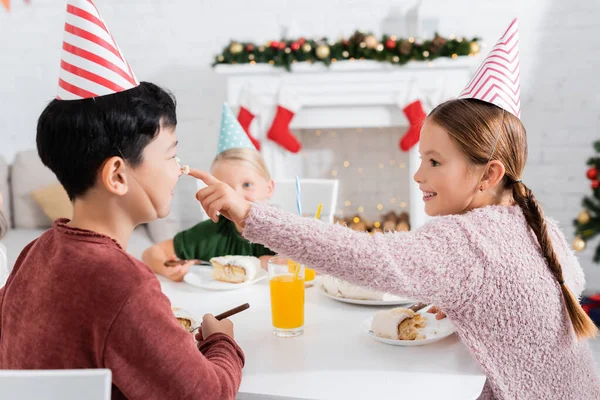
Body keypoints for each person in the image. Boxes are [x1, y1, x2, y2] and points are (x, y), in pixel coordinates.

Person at [191, 19, 600, 399]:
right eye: (421, 158)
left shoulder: (469, 240)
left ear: (489, 174)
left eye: (435, 162)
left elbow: (363, 256)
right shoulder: (529, 215)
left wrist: (251, 214)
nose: (418, 175)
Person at [0, 2, 244, 399]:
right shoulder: (124, 284)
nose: (179, 170)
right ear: (116, 174)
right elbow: (210, 394)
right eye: (170, 155)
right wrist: (222, 342)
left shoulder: (35, 252)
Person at [143, 104, 275, 281]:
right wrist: (167, 269)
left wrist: (281, 263)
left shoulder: (279, 230)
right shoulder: (211, 232)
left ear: (269, 189)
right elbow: (153, 253)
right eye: (225, 187)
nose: (234, 196)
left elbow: (316, 262)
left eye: (247, 184)